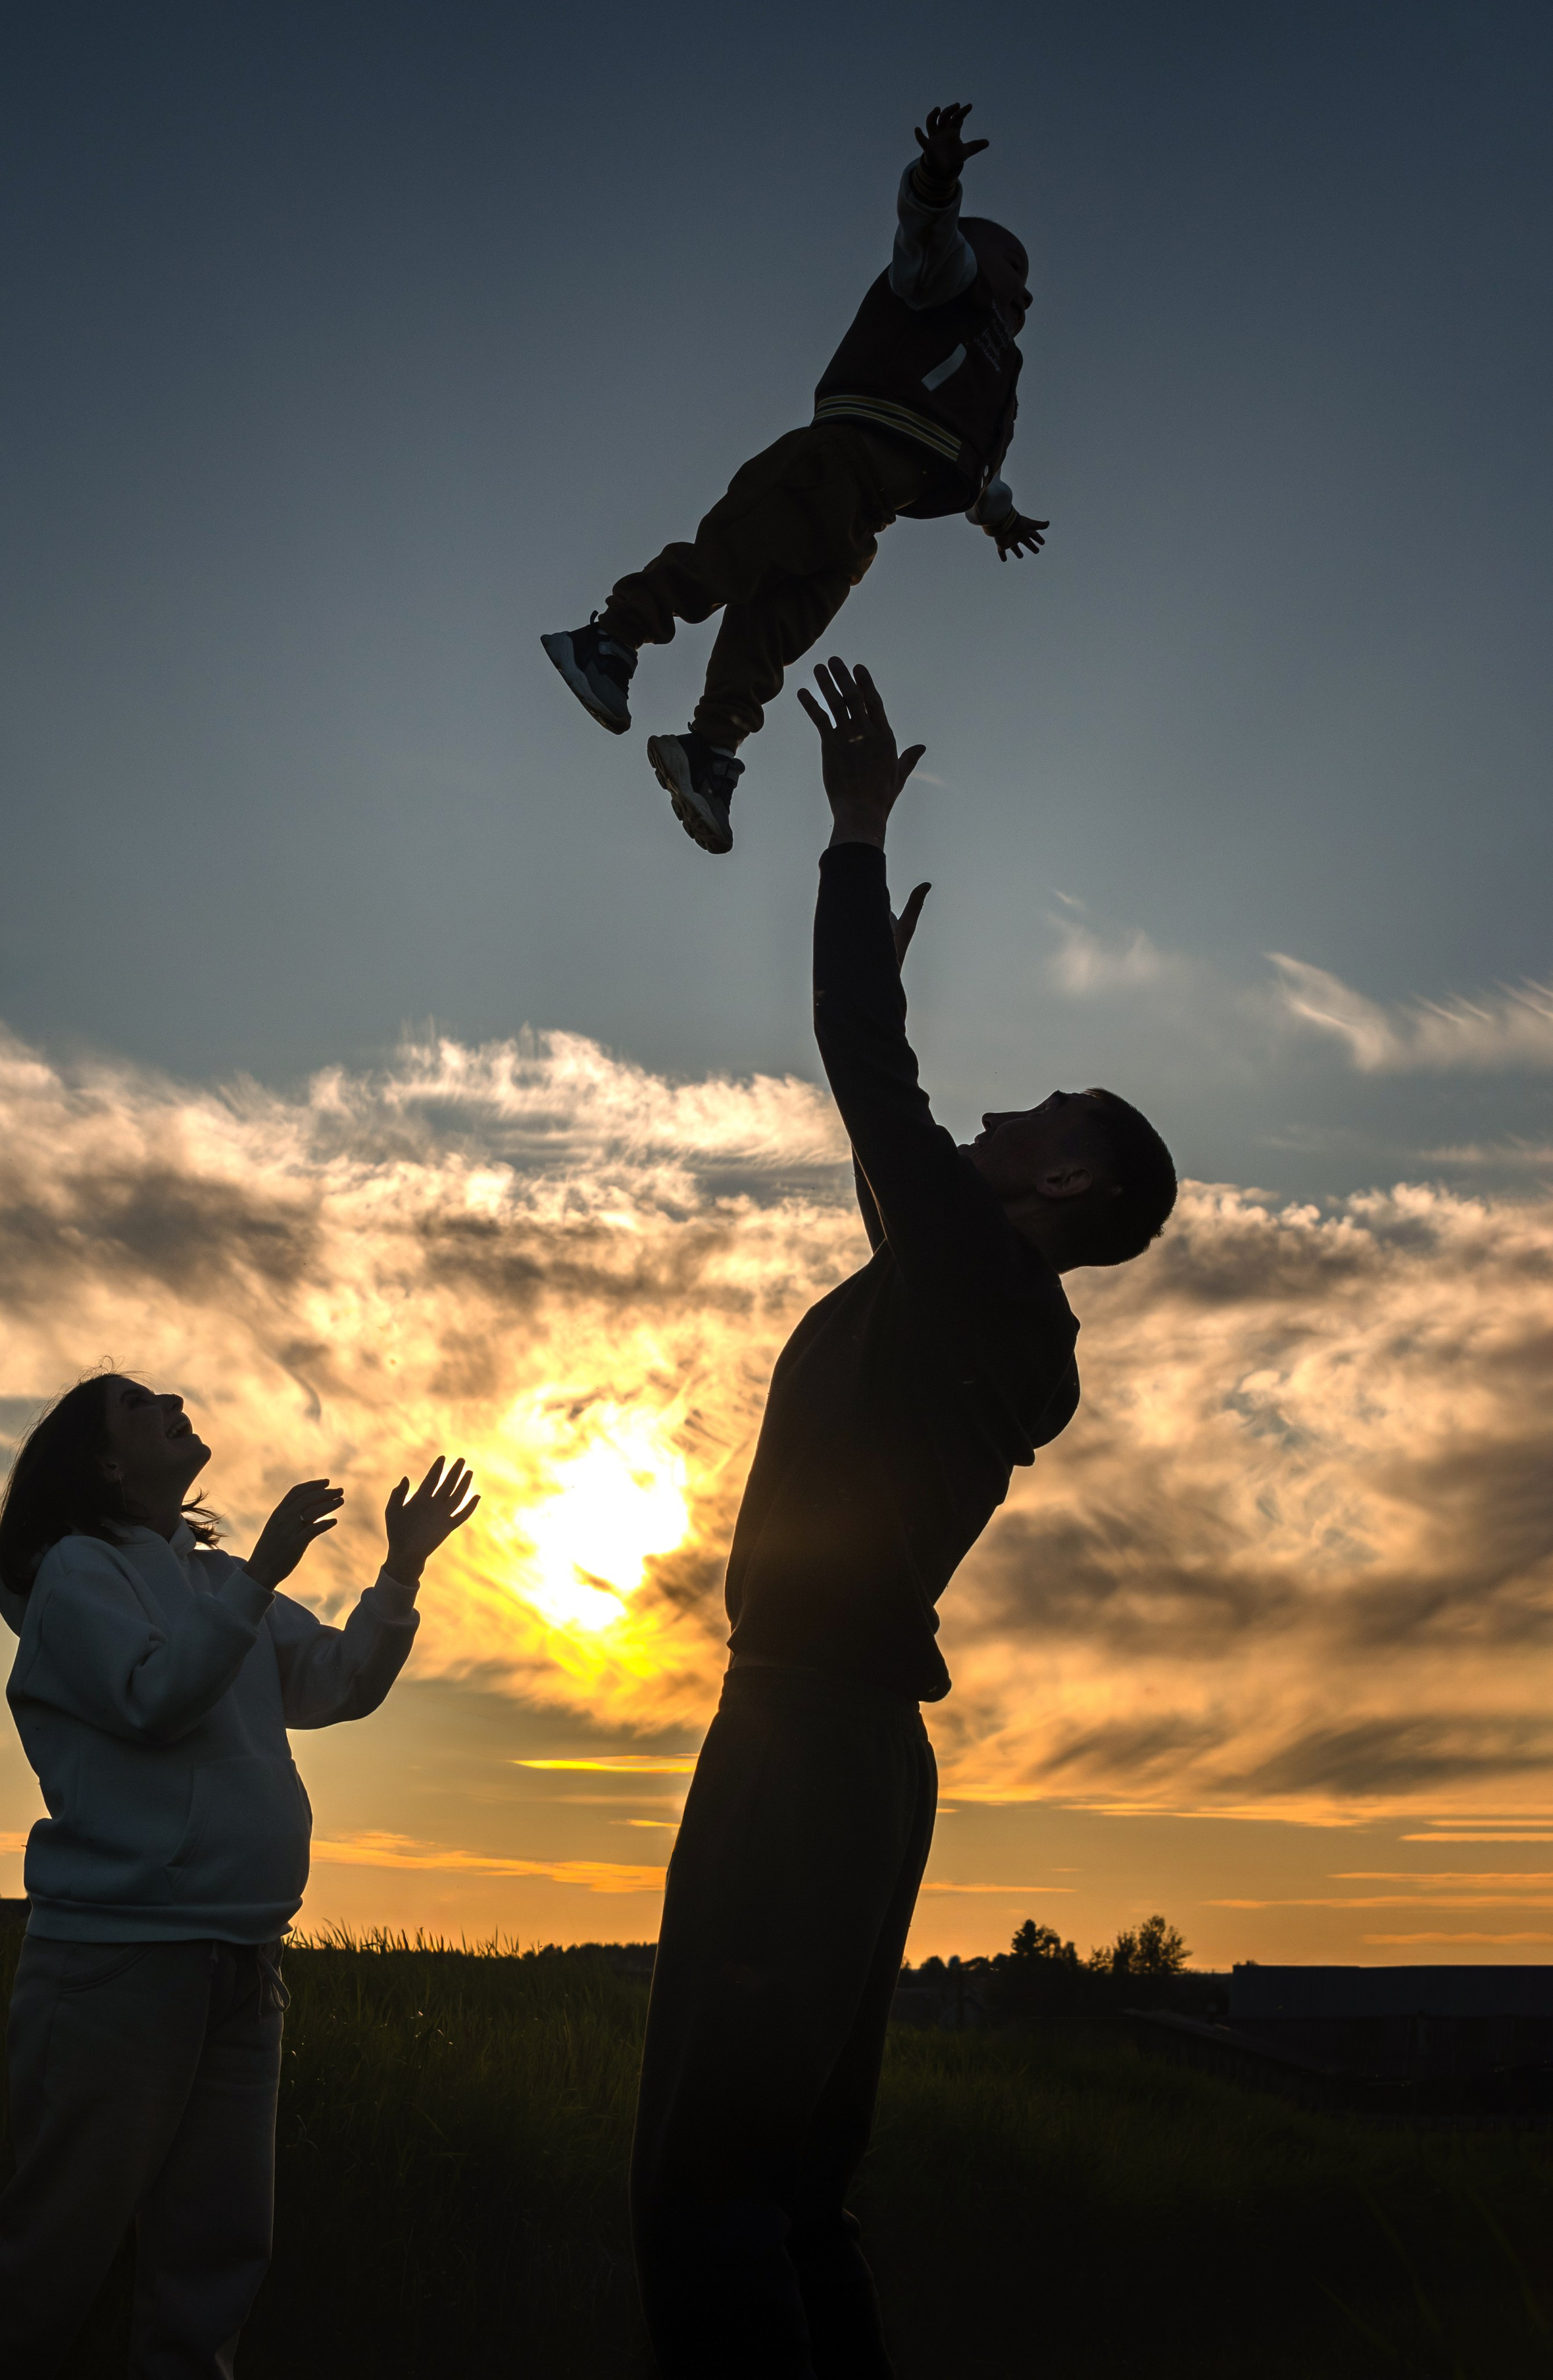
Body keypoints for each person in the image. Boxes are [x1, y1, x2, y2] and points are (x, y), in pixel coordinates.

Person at [628, 658, 1177, 2377]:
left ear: (1069, 1183)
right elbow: (892, 1154)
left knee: (705, 2186)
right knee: (787, 2191)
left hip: (810, 1742)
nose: (1006, 1111)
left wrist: (853, 842)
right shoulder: (996, 1318)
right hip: (846, 1747)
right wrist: (871, 1001)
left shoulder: (994, 1305)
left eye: (1043, 1114)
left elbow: (873, 1084)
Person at [0, 1372, 479, 2379]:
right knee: (52, 2262)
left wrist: (400, 1572)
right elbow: (156, 1696)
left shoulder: (212, 1578)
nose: (173, 1396)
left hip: (243, 1960)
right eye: (140, 1402)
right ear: (105, 1462)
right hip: (118, 1968)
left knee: (214, 2263)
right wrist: (261, 1569)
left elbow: (337, 1682)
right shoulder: (76, 1576)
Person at [541, 101, 1047, 858]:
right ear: (976, 256)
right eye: (1016, 267)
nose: (1025, 292)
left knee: (771, 633)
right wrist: (938, 179)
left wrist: (1000, 516)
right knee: (730, 557)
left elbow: (979, 473)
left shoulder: (999, 376)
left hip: (867, 524)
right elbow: (925, 233)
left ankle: (708, 752)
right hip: (834, 465)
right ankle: (609, 638)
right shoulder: (941, 285)